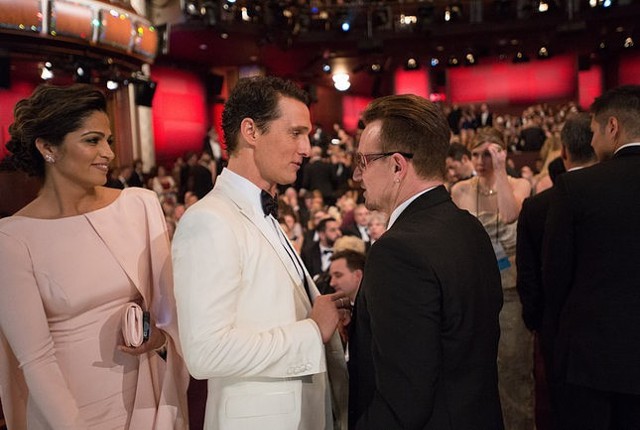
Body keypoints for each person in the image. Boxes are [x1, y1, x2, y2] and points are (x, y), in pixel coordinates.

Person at [0, 84, 189, 429]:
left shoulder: (140, 205)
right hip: (67, 416)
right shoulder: (12, 239)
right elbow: (35, 361)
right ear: (47, 148)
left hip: (149, 404)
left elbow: (170, 317)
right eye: (92, 140)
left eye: (109, 141)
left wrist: (159, 337)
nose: (109, 154)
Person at [171, 76, 348, 430]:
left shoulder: (260, 210)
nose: (307, 149)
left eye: (307, 136)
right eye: (295, 133)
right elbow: (205, 353)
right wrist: (313, 332)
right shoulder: (208, 220)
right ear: (250, 131)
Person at [349, 94, 504, 429]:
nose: (357, 176)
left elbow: (403, 398)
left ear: (396, 166)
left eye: (363, 161)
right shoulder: (469, 226)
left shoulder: (397, 252)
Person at [542, 85, 640, 429]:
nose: (593, 140)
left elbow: (555, 276)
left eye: (594, 130)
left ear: (612, 127)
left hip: (590, 357)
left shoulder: (576, 188)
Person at [515, 112, 596, 430]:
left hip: (556, 328)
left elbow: (529, 275)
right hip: (614, 332)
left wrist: (537, 321)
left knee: (563, 412)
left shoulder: (538, 206)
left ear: (563, 151)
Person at [451, 127, 534, 430]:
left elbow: (510, 215)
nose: (480, 160)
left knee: (513, 372)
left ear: (501, 153)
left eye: (488, 153)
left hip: (511, 290)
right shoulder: (460, 190)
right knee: (475, 371)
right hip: (474, 291)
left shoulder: (519, 184)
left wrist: (500, 170)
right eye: (475, 154)